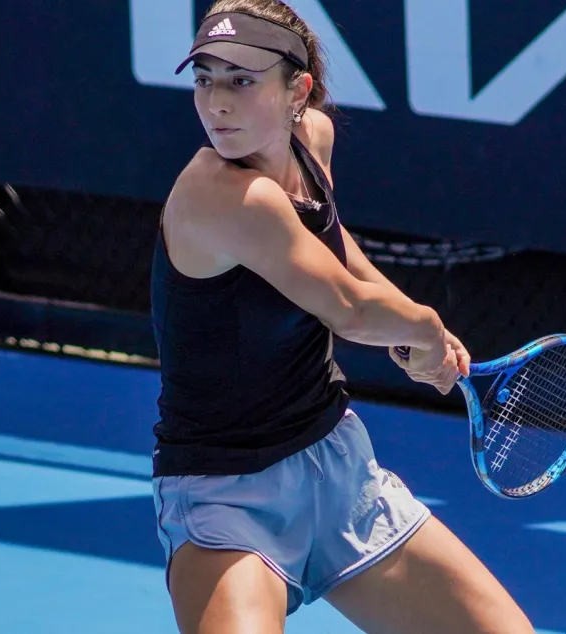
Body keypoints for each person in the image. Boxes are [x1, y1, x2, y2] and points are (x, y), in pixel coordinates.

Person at [150, 1, 536, 632]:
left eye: (241, 80)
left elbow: (330, 246)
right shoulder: (218, 195)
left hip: (340, 473)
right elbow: (351, 311)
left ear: (297, 91)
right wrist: (421, 327)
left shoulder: (312, 141)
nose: (216, 102)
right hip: (227, 499)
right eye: (205, 78)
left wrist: (412, 325)